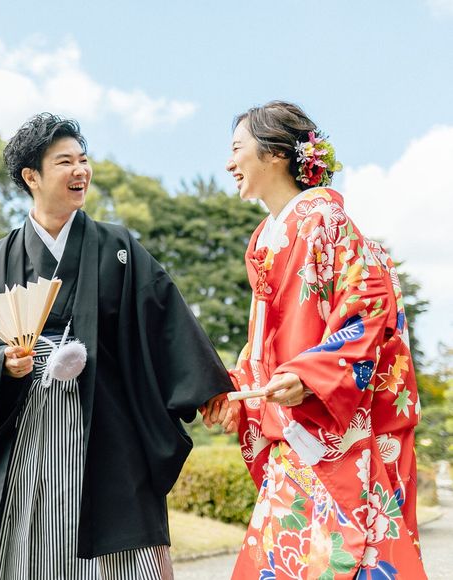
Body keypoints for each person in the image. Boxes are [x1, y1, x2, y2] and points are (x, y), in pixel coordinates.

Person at [0, 113, 234, 580]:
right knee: (29, 546)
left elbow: (164, 319)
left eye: (83, 160)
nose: (80, 170)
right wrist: (3, 363)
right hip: (27, 431)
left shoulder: (117, 246)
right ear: (31, 176)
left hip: (107, 427)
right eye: (64, 162)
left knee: (125, 552)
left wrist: (207, 389)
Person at [220, 101, 426, 579]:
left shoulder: (324, 220)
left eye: (237, 149)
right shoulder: (268, 237)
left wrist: (309, 375)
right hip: (294, 435)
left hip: (333, 430)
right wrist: (235, 390)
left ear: (275, 153)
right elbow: (263, 345)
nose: (230, 164)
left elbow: (367, 304)